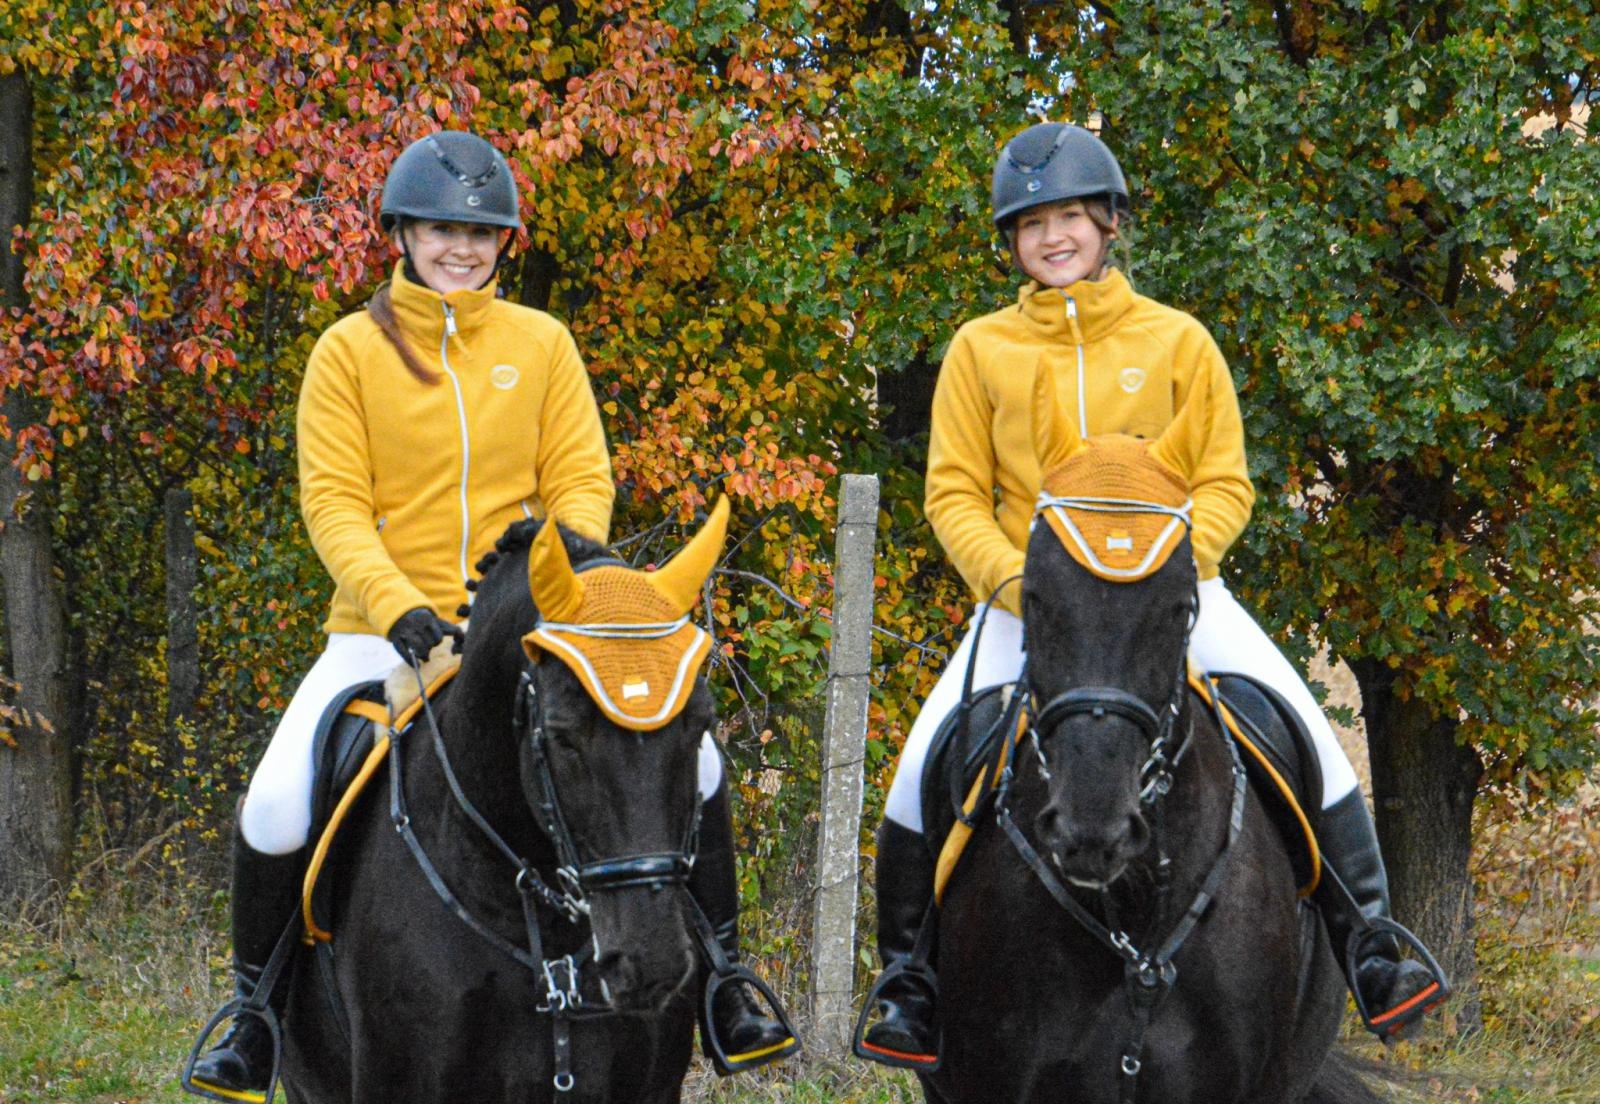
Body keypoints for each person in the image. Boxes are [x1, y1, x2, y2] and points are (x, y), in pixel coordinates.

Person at [189, 131, 793, 1099]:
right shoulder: (347, 350)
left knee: (704, 764)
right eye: (441, 229)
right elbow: (334, 501)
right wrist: (396, 608)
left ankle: (724, 982)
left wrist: (567, 583)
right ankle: (254, 1016)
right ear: (403, 234)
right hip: (382, 633)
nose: (461, 248)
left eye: (480, 232)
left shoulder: (541, 343)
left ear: (504, 242)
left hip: (540, 626)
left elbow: (581, 477)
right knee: (274, 803)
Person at [857, 122, 1447, 1067]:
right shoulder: (981, 350)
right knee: (922, 766)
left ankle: (1372, 942)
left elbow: (1225, 482)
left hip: (1173, 596)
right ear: (1012, 239)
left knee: (1302, 728)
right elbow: (955, 494)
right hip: (1032, 606)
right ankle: (907, 984)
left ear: (1107, 222)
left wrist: (1171, 574)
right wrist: (1018, 584)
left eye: (1071, 219)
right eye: (1033, 223)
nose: (1054, 238)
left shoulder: (1178, 341)